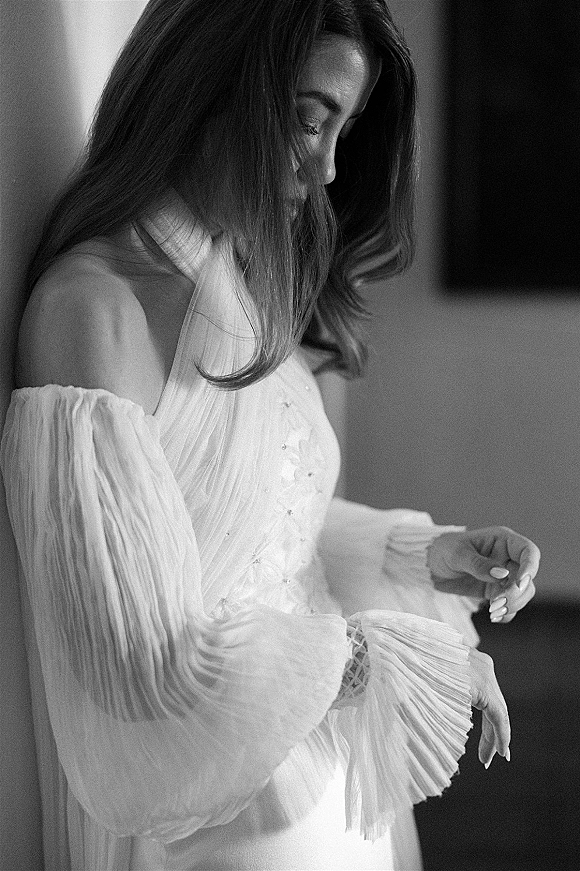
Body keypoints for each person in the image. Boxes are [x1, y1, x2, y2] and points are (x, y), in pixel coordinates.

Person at [0, 1, 540, 869]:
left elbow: (258, 532)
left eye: (344, 128)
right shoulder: (92, 313)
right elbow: (139, 675)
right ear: (205, 89)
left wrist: (422, 555)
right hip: (220, 827)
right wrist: (393, 655)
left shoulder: (238, 283)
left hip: (323, 786)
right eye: (306, 119)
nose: (327, 168)